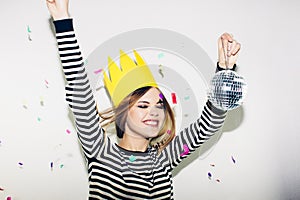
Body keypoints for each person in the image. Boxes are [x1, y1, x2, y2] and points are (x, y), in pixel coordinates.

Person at [46, 0, 241, 199]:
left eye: (159, 105)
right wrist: (62, 21)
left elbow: (207, 127)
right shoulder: (100, 152)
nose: (155, 112)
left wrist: (225, 72)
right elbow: (80, 96)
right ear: (123, 114)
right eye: (143, 105)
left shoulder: (164, 158)